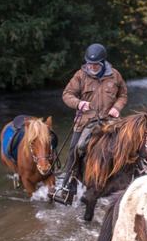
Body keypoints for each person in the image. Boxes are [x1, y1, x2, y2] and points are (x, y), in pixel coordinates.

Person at [52, 43, 128, 205]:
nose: (92, 67)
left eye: (95, 64)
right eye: (89, 64)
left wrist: (116, 107)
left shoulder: (115, 75)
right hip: (86, 121)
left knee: (128, 144)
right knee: (76, 149)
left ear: (103, 63)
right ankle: (68, 185)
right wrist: (79, 104)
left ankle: (128, 180)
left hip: (110, 121)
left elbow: (123, 95)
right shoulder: (80, 76)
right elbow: (67, 95)